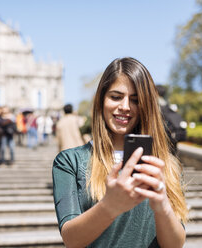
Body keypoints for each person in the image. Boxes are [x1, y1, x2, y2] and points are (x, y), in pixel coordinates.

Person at [52, 57, 188, 248]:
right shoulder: (70, 162)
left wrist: (162, 207)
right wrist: (110, 205)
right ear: (101, 101)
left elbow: (175, 245)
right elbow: (71, 240)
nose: (125, 106)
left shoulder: (166, 165)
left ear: (147, 106)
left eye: (135, 100)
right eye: (116, 97)